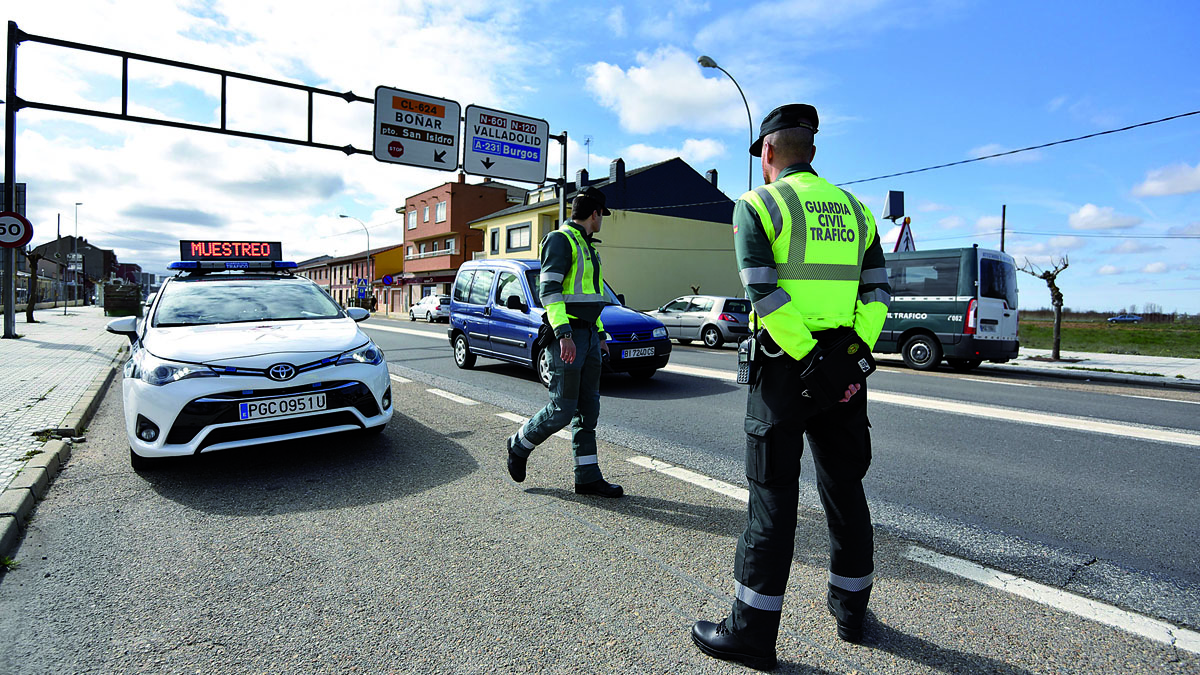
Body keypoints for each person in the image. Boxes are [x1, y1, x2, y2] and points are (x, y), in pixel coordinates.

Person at [691, 103, 892, 669]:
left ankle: (752, 633)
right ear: (812, 150)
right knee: (846, 490)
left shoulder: (757, 205)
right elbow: (876, 297)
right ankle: (852, 612)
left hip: (785, 371)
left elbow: (764, 294)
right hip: (846, 374)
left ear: (767, 153)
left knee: (773, 497)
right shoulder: (857, 212)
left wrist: (812, 361)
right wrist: (848, 364)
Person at [505, 186, 624, 498]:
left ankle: (587, 478)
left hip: (588, 336)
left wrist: (599, 337)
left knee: (588, 413)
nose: (602, 221)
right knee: (562, 409)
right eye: (602, 216)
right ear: (595, 213)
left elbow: (592, 299)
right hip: (567, 336)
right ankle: (518, 444)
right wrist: (564, 335)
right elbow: (550, 292)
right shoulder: (561, 239)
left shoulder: (589, 248)